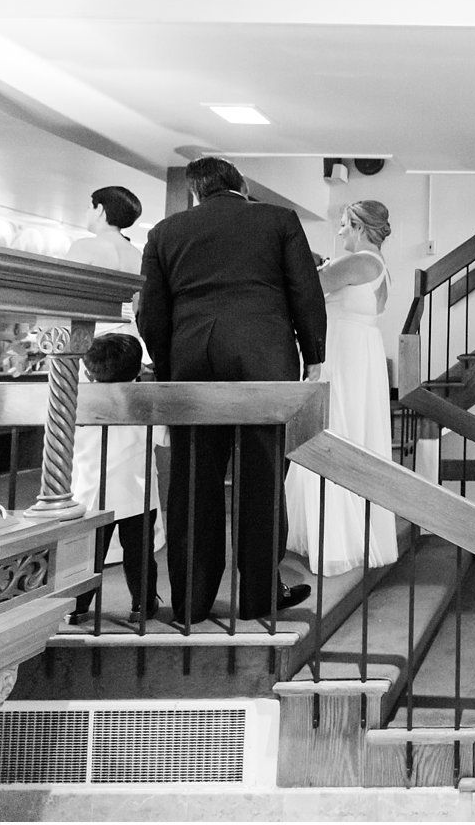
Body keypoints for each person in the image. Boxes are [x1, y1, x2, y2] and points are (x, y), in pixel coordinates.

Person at [138, 157, 326, 623]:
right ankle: (260, 597)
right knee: (262, 477)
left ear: (196, 192)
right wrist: (314, 354)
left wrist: (168, 367)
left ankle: (192, 602)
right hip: (263, 360)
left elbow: (152, 312)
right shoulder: (278, 220)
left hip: (191, 360)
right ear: (240, 184)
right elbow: (304, 290)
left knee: (192, 481)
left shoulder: (165, 232)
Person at [284, 201, 400, 576]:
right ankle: (343, 534)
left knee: (333, 431)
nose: (339, 232)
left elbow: (304, 288)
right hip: (359, 353)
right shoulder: (379, 267)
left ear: (359, 226)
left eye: (344, 225)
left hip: (345, 354)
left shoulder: (359, 262)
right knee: (350, 431)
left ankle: (336, 541)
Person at [68, 333, 162, 624]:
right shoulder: (145, 401)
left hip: (90, 491)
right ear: (138, 370)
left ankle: (78, 608)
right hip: (137, 490)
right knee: (139, 554)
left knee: (88, 556)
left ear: (87, 369)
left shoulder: (77, 397)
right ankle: (141, 606)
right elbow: (164, 438)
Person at [66, 186, 143, 274]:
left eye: (89, 207)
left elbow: (61, 282)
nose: (87, 213)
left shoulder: (84, 246)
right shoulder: (137, 255)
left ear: (99, 209)